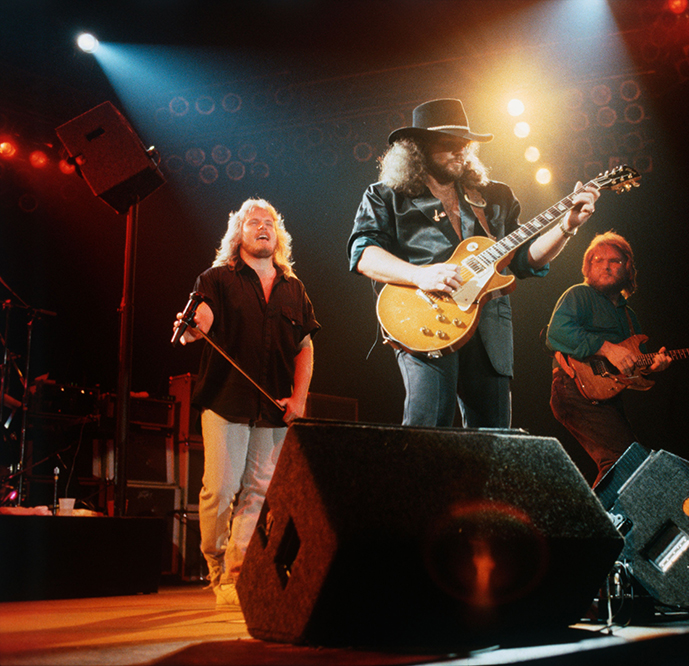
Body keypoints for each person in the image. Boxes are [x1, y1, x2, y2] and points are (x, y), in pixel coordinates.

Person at [348, 98, 599, 428]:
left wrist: (567, 227)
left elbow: (525, 259)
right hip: (424, 317)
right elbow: (363, 254)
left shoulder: (495, 197)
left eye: (464, 145)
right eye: (448, 145)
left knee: (495, 440)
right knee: (428, 430)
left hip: (490, 326)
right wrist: (420, 275)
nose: (460, 152)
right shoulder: (386, 195)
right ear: (418, 148)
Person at [174, 198, 320, 609]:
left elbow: (304, 348)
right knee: (220, 490)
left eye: (269, 222)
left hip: (274, 406)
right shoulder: (216, 279)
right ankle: (215, 564)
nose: (262, 227)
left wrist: (300, 398)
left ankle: (236, 577)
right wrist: (192, 329)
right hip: (225, 401)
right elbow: (199, 316)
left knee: (257, 493)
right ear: (238, 233)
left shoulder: (294, 287)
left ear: (278, 234)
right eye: (252, 221)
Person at [546, 231, 671, 486]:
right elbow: (556, 333)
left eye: (614, 260)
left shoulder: (629, 316)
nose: (605, 265)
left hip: (607, 396)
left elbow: (634, 364)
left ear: (627, 267)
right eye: (597, 260)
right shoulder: (578, 295)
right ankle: (595, 525)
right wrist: (606, 347)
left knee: (628, 463)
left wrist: (653, 366)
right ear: (587, 267)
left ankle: (602, 523)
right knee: (624, 462)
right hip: (573, 390)